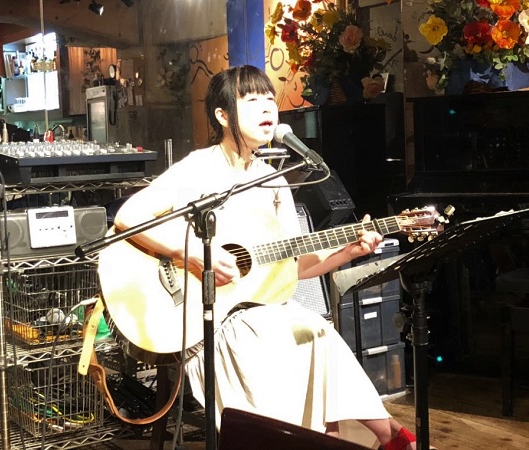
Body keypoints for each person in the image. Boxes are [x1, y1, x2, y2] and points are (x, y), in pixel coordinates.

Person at [112, 65, 418, 449]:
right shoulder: (199, 168)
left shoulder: (273, 181)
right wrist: (192, 256)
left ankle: (363, 437)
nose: (267, 107)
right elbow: (127, 218)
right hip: (202, 316)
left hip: (258, 312)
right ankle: (383, 436)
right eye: (252, 99)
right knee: (287, 335)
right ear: (223, 115)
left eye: (270, 99)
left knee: (314, 330)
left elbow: (297, 267)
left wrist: (348, 251)